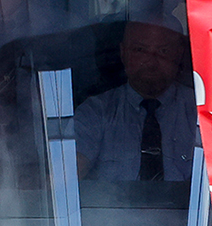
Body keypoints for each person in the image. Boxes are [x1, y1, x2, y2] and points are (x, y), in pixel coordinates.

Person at [74, 18, 198, 182]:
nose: (151, 60)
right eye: (140, 50)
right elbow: (65, 177)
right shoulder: (95, 112)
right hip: (112, 206)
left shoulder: (201, 112)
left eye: (163, 51)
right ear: (123, 53)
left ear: (179, 53)